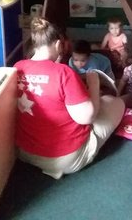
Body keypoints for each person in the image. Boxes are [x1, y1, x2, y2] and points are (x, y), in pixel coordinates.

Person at [13, 17, 125, 180]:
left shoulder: (18, 67)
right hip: (66, 159)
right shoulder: (64, 72)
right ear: (59, 45)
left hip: (25, 152)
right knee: (115, 102)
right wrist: (94, 85)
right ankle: (128, 100)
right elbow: (87, 118)